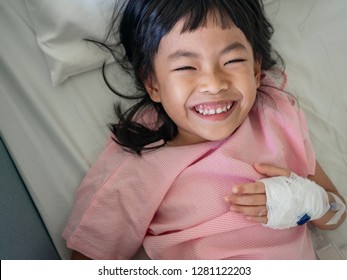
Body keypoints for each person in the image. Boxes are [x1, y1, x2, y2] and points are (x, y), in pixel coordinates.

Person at [62, 0, 346, 260]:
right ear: (153, 84)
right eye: (186, 67)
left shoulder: (274, 117)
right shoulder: (137, 162)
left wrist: (310, 201)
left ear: (256, 69)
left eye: (232, 61)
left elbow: (338, 213)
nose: (214, 83)